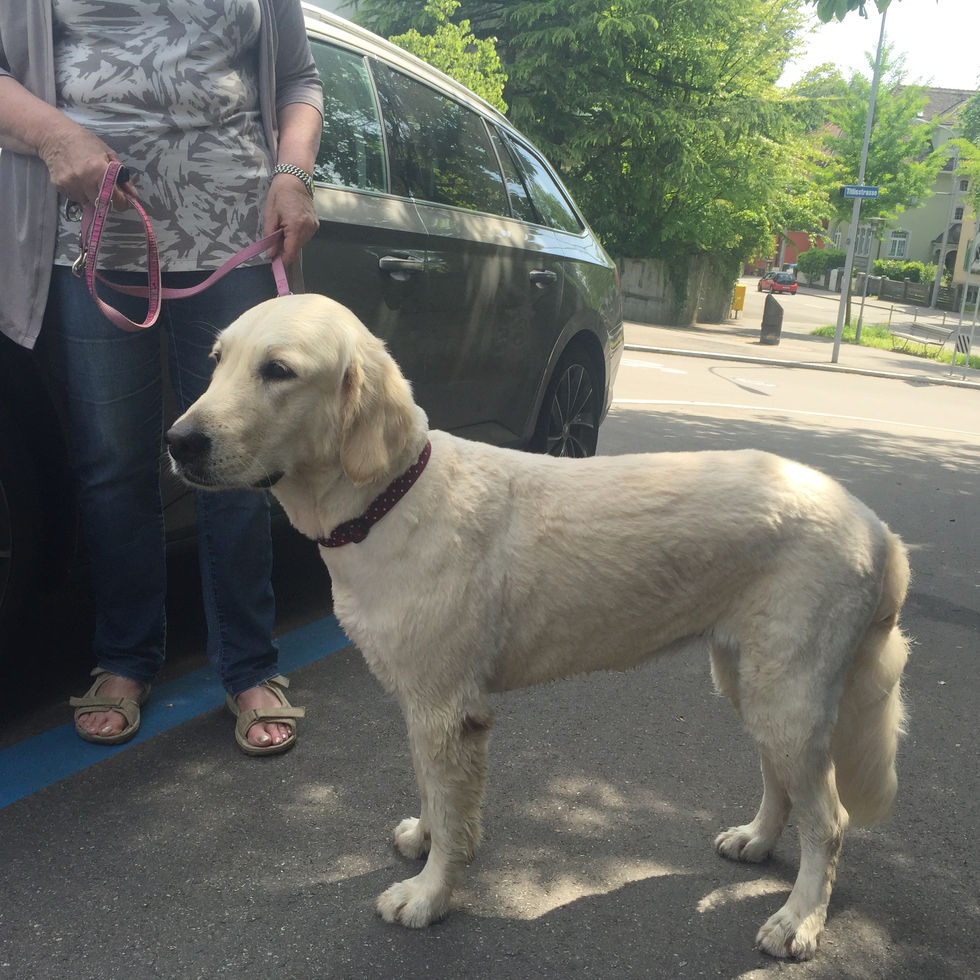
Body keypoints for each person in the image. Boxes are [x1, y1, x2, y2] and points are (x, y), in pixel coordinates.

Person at [0, 1, 323, 754]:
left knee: (237, 457)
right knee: (111, 463)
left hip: (237, 237)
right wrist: (55, 135)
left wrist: (293, 174)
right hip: (91, 239)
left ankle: (248, 664)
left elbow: (298, 79)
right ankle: (125, 656)